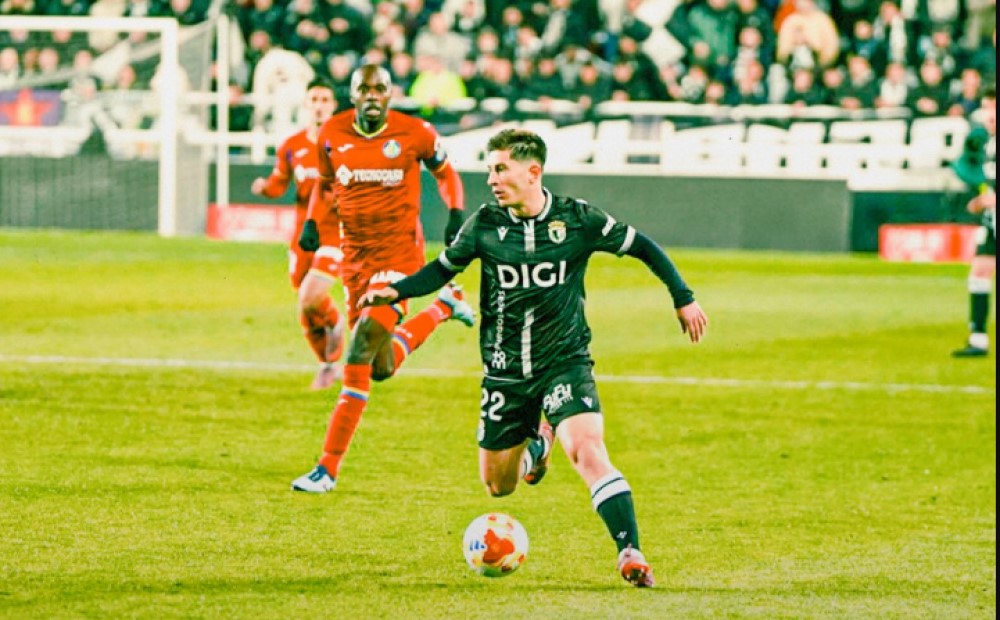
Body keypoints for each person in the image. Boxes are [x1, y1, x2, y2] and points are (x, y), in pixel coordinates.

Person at [358, 129, 708, 587]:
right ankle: (538, 446)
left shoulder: (577, 219)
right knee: (498, 486)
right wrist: (397, 290)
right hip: (504, 372)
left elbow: (642, 245)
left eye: (500, 169)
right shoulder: (484, 224)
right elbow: (441, 270)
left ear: (532, 172)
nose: (492, 179)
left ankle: (630, 551)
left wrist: (683, 297)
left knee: (587, 449)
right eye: (490, 170)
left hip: (564, 361)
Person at [291, 64, 473, 492]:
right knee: (380, 366)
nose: (372, 95)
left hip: (399, 258)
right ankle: (445, 307)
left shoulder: (415, 132)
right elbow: (325, 184)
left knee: (358, 353)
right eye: (364, 89)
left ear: (390, 95)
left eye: (380, 89)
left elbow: (446, 174)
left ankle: (327, 468)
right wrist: (313, 222)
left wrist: (455, 212)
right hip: (356, 261)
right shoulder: (332, 133)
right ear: (353, 95)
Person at [251, 78, 347, 390]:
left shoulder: (344, 145)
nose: (319, 106)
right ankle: (326, 366)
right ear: (306, 104)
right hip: (303, 236)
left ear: (333, 106)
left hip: (333, 234)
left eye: (324, 100)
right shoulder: (292, 145)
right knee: (305, 306)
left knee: (311, 295)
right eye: (314, 99)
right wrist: (265, 188)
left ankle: (336, 323)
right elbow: (278, 184)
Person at [951, 87, 996, 358]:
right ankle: (978, 339)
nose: (989, 115)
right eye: (986, 108)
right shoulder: (987, 143)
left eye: (993, 108)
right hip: (993, 222)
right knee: (979, 273)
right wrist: (983, 200)